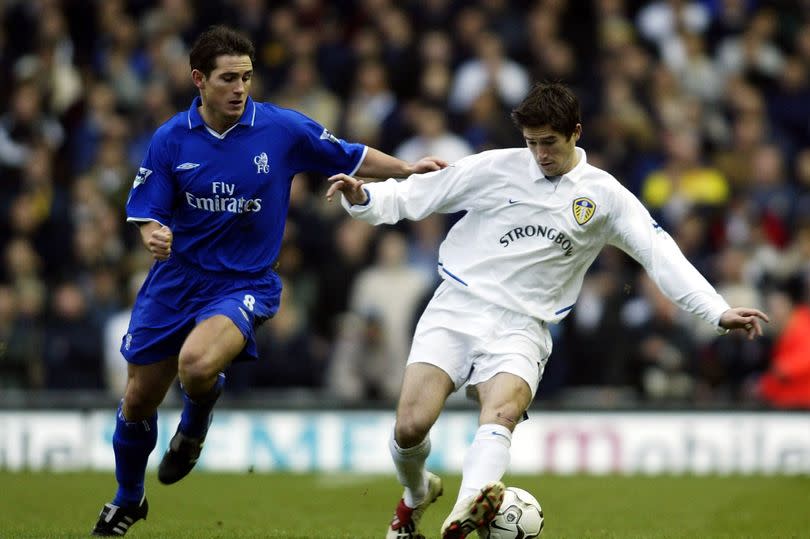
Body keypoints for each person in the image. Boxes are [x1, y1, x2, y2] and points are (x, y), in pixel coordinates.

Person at [326, 82, 770, 539]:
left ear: (575, 133)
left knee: (501, 414)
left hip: (525, 326)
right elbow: (419, 194)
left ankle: (466, 511)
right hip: (457, 305)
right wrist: (365, 199)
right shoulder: (496, 167)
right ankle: (417, 494)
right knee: (410, 426)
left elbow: (660, 253)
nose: (539, 153)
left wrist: (716, 310)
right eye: (531, 142)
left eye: (549, 143)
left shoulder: (604, 196)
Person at [90, 25, 446, 537]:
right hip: (174, 282)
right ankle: (129, 499)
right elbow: (148, 209)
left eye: (247, 77)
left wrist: (407, 169)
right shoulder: (171, 138)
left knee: (195, 365)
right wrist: (153, 231)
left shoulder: (280, 128)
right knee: (138, 400)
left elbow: (351, 154)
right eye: (228, 78)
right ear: (199, 80)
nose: (240, 88)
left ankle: (195, 420)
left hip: (243, 283)